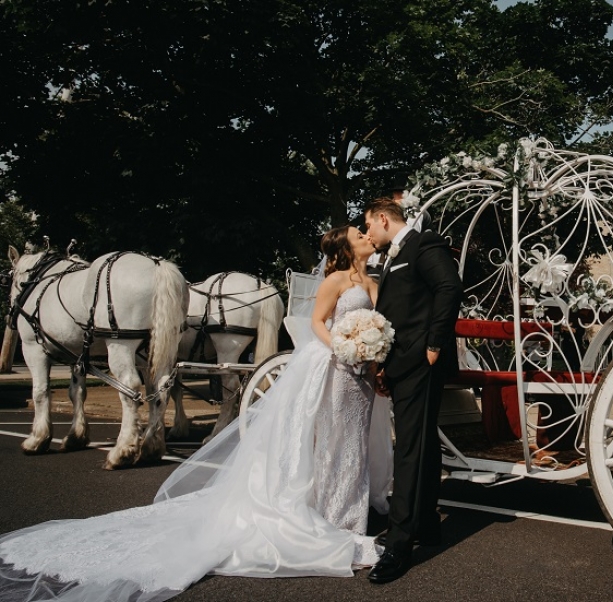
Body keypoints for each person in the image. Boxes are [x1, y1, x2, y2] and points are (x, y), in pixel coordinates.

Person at [0, 225, 391, 602]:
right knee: (331, 439)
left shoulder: (373, 283)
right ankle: (328, 514)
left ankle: (349, 515)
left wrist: (373, 353)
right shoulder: (335, 281)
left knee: (353, 440)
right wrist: (344, 347)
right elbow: (318, 323)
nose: (365, 235)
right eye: (358, 234)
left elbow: (379, 324)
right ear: (344, 247)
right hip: (336, 367)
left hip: (362, 375)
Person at [363, 197, 463, 584]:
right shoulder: (393, 255)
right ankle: (425, 524)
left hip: (423, 362)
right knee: (420, 445)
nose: (368, 232)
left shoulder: (425, 244)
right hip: (403, 364)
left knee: (408, 449)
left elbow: (449, 287)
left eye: (369, 225)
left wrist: (435, 343)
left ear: (384, 219)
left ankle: (399, 546)